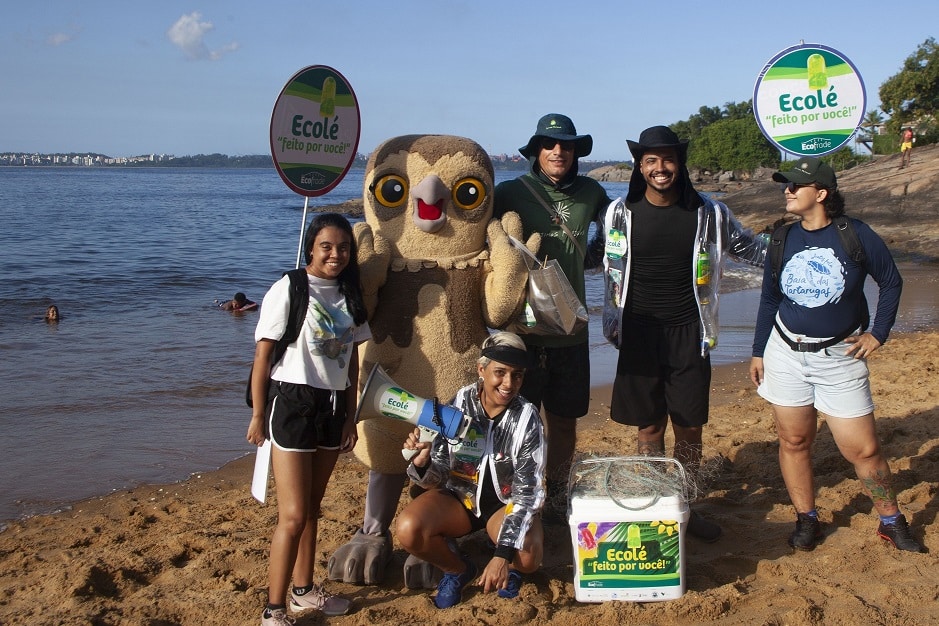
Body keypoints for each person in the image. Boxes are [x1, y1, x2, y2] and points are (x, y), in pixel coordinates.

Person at [749, 157, 924, 553]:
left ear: (822, 193)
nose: (787, 191)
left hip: (840, 357)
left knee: (862, 449)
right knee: (793, 440)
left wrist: (878, 333)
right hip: (785, 352)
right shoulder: (782, 238)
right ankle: (807, 519)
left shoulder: (855, 234)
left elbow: (891, 282)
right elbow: (770, 298)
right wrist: (759, 351)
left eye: (795, 185)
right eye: (786, 185)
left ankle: (891, 521)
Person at [602, 126, 768, 543]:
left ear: (680, 164)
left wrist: (801, 243)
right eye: (651, 161)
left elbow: (750, 248)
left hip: (690, 332)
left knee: (690, 426)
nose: (661, 168)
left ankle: (686, 508)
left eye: (668, 160)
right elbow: (583, 255)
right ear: (640, 167)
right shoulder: (619, 214)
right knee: (648, 429)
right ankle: (660, 505)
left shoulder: (708, 213)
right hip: (638, 333)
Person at [246, 213, 372, 625]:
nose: (335, 255)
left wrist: (351, 417)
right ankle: (274, 608)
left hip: (334, 406)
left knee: (314, 509)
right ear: (311, 248)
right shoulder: (290, 288)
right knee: (294, 514)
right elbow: (264, 356)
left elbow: (352, 360)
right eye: (326, 246)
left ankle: (303, 591)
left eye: (343, 248)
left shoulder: (351, 294)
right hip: (293, 402)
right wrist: (259, 413)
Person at [493, 113, 610, 520]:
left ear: (576, 152)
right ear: (535, 152)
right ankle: (512, 493)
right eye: (549, 144)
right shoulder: (509, 191)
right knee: (513, 424)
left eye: (566, 145)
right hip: (520, 333)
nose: (558, 151)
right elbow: (475, 232)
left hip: (570, 331)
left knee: (563, 422)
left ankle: (558, 492)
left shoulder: (593, 192)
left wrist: (595, 259)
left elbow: (620, 231)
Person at [396, 332, 546, 609]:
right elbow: (438, 475)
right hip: (460, 500)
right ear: (481, 369)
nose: (508, 384)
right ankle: (458, 570)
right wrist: (422, 461)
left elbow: (527, 494)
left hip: (506, 506)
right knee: (408, 529)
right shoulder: (458, 404)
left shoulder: (527, 418)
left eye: (517, 375)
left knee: (526, 557)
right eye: (499, 372)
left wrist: (503, 555)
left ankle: (510, 569)